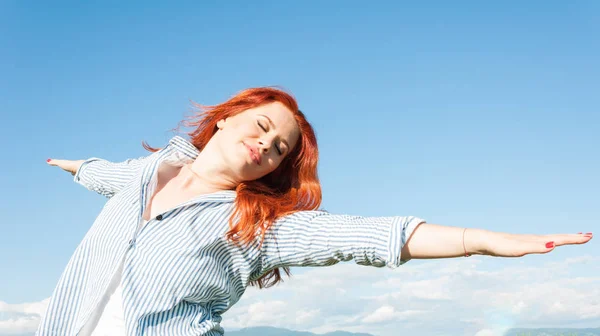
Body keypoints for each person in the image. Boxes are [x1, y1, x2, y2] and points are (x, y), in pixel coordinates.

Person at [39, 87, 593, 336]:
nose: (268, 146)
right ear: (226, 119)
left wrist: (480, 239)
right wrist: (74, 165)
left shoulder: (256, 224)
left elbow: (366, 236)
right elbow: (104, 175)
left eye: (280, 150)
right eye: (262, 128)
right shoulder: (143, 175)